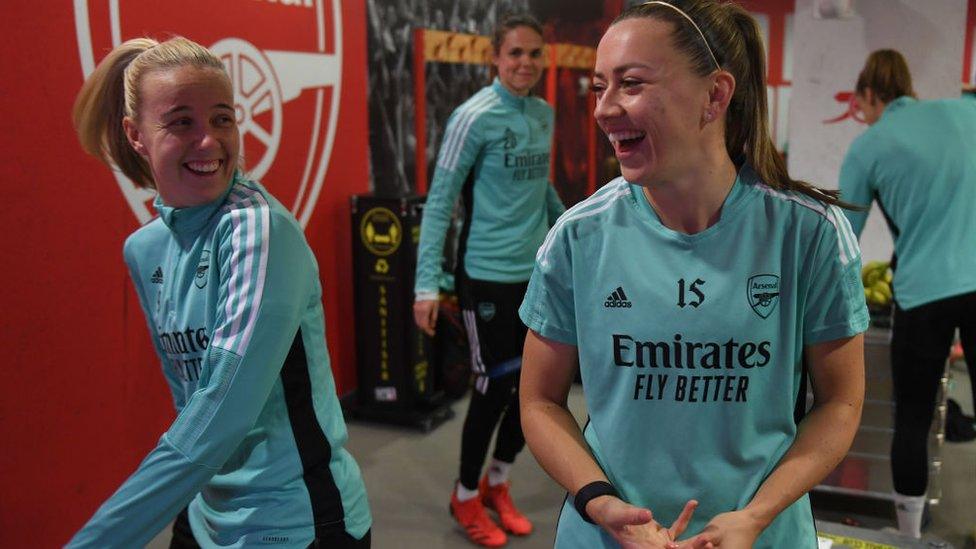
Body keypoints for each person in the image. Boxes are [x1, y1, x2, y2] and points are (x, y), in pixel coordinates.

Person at [518, 1, 869, 547]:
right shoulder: (577, 236)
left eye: (630, 83)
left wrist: (756, 514)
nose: (604, 109)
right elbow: (539, 402)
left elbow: (841, 403)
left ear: (715, 95)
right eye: (598, 87)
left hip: (763, 534)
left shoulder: (810, 234)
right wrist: (601, 502)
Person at [69, 36, 371, 548]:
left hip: (295, 521)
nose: (209, 141)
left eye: (223, 118)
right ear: (136, 135)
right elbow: (187, 398)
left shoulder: (260, 231)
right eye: (181, 121)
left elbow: (221, 415)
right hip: (207, 513)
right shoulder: (144, 250)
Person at [412, 13, 565, 548]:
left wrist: (571, 234)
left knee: (540, 388)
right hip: (484, 278)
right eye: (514, 54)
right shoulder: (472, 118)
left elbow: (542, 191)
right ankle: (464, 494)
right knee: (494, 388)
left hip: (536, 274)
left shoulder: (544, 114)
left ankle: (498, 483)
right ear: (495, 59)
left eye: (533, 54)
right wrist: (426, 286)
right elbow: (439, 204)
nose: (524, 63)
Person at [839, 48, 976, 539]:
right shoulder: (967, 110)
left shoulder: (869, 145)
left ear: (871, 96)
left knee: (913, 419)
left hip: (923, 295)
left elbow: (844, 240)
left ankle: (911, 538)